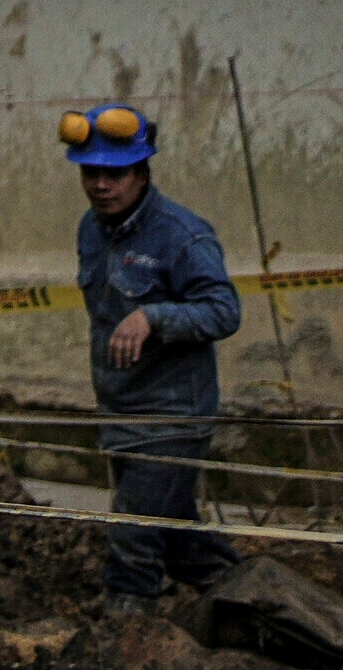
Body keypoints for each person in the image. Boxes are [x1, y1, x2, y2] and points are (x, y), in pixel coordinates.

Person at [64, 103, 243, 609]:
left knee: (134, 540)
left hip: (171, 416)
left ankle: (124, 640)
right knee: (181, 544)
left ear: (142, 174)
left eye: (115, 174)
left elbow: (224, 311)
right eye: (91, 173)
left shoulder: (182, 235)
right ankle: (262, 607)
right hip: (121, 411)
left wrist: (155, 317)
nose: (101, 185)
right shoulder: (91, 229)